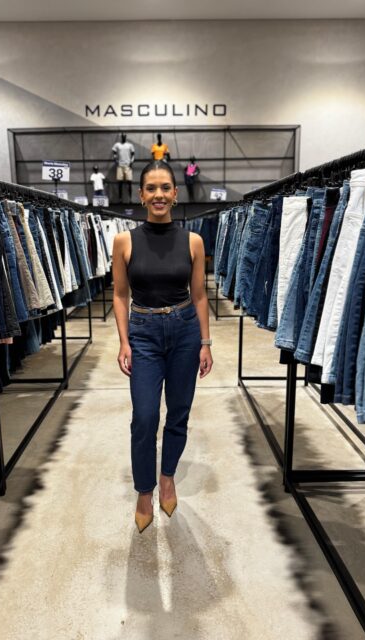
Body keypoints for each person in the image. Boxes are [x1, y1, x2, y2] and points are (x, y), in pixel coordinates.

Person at [112, 160, 213, 533]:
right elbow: (120, 295)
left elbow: (199, 295)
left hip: (185, 330)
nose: (159, 194)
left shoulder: (192, 241)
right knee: (144, 416)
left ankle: (167, 476)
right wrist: (124, 341)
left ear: (175, 193)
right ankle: (144, 490)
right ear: (141, 195)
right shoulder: (124, 241)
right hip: (143, 332)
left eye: (165, 188)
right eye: (151, 188)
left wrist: (205, 342)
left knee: (179, 411)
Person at [112, 133, 135, 203]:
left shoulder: (129, 145)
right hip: (120, 166)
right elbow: (114, 152)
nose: (123, 137)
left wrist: (131, 161)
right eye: (122, 136)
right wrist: (115, 159)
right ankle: (120, 199)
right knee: (120, 183)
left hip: (127, 165)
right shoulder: (117, 145)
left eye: (124, 136)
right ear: (121, 137)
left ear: (126, 137)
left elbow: (133, 154)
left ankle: (130, 199)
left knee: (129, 182)